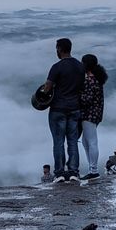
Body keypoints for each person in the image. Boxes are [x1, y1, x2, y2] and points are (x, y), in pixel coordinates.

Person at [42, 39, 84, 182]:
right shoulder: (80, 66)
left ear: (60, 49)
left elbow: (47, 88)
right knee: (73, 141)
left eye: (57, 48)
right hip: (75, 108)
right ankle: (74, 172)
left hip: (58, 109)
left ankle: (59, 173)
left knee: (58, 142)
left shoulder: (57, 67)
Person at [80, 53, 108, 180]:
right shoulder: (97, 78)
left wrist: (76, 95)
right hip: (95, 114)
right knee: (86, 141)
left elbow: (86, 99)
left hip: (88, 114)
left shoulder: (89, 80)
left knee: (90, 141)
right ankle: (92, 168)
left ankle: (93, 170)